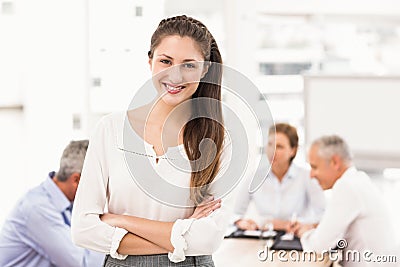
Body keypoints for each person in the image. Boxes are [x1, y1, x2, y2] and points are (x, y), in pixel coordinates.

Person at [71, 15, 232, 266]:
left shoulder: (219, 139)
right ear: (150, 62)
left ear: (205, 68)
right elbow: (82, 228)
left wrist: (121, 220)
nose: (175, 76)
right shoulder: (110, 129)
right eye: (165, 61)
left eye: (189, 65)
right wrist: (182, 231)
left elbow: (209, 239)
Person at [292, 135, 396, 267]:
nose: (311, 175)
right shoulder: (358, 179)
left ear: (335, 162)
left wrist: (303, 232)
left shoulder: (346, 186)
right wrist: (313, 227)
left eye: (314, 167)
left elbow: (319, 247)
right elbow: (338, 227)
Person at [0, 140, 104, 267]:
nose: (99, 189)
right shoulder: (37, 208)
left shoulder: (68, 204)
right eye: (97, 182)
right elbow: (84, 264)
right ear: (76, 180)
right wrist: (106, 223)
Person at [233, 123, 325, 231]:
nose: (273, 151)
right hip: (262, 239)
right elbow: (234, 213)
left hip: (295, 238)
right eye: (270, 144)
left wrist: (296, 224)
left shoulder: (307, 177)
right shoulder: (254, 178)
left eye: (279, 147)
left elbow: (323, 216)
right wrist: (240, 222)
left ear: (293, 150)